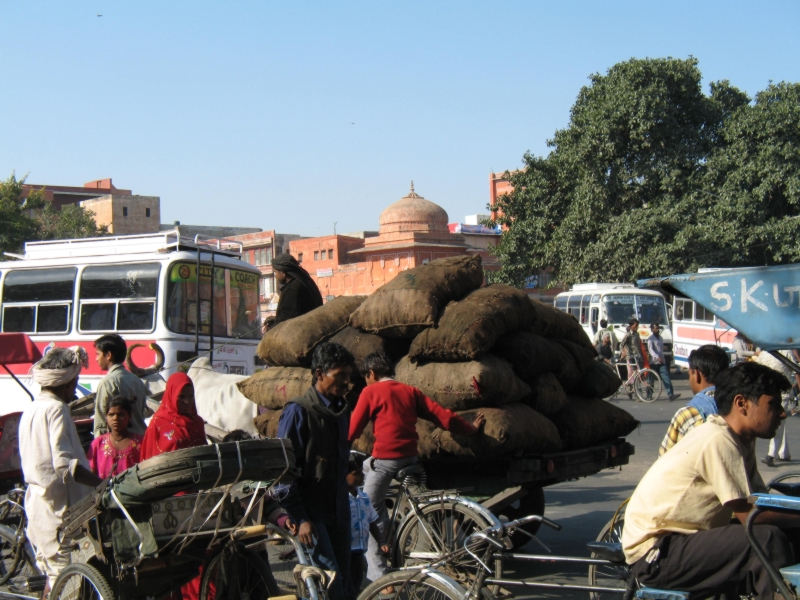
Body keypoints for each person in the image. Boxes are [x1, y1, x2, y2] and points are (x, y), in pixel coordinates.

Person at [622, 362, 796, 600]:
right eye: (773, 404)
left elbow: (759, 501)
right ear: (742, 404)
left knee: (784, 533)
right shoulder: (718, 439)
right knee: (767, 539)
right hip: (656, 552)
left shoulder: (742, 441)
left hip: (684, 541)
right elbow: (750, 514)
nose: (782, 413)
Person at [348, 351, 485, 581]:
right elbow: (442, 416)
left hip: (386, 461)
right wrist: (470, 429)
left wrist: (337, 450)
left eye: (366, 377)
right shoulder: (410, 392)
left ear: (371, 373)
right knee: (367, 468)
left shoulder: (370, 391)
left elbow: (352, 430)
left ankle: (379, 578)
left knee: (367, 510)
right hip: (410, 458)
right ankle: (391, 533)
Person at [18, 346, 103, 592]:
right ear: (65, 383)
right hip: (59, 511)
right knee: (67, 581)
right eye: (74, 382)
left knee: (54, 578)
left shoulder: (32, 408)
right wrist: (100, 483)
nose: (74, 389)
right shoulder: (57, 409)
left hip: (39, 506)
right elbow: (65, 466)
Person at [276, 342, 355, 600]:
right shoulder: (299, 411)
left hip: (338, 512)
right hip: (312, 516)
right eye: (339, 375)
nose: (346, 381)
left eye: (348, 375)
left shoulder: (341, 411)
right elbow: (283, 473)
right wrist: (299, 518)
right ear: (320, 374)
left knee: (345, 582)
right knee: (329, 586)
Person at [658, 344, 730, 455]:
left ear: (696, 374)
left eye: (689, 374)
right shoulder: (738, 407)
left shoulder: (687, 414)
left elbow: (664, 459)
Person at [346, 456, 389, 595]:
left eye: (361, 472)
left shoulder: (364, 498)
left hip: (359, 550)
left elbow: (371, 522)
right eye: (356, 474)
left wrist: (381, 541)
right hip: (345, 551)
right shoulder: (341, 499)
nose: (362, 476)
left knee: (357, 581)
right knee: (346, 584)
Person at [140, 373, 207, 461]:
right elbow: (149, 459)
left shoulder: (197, 422)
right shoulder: (157, 424)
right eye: (181, 397)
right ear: (171, 395)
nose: (187, 401)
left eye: (190, 396)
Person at [93, 334, 148, 436]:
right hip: (140, 440)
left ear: (108, 355)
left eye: (98, 354)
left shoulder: (107, 383)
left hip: (118, 444)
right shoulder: (137, 380)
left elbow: (101, 424)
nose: (96, 359)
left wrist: (99, 446)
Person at [754, 349, 796, 466]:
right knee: (781, 424)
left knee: (778, 422)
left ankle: (771, 454)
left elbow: (796, 369)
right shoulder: (764, 353)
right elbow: (757, 371)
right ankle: (784, 453)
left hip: (784, 394)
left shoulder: (786, 352)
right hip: (769, 395)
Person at [87, 396, 144, 478]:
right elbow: (91, 474)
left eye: (121, 414)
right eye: (111, 414)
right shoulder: (98, 443)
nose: (116, 418)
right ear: (106, 417)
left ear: (129, 416)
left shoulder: (140, 443)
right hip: (105, 490)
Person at [268, 253, 324, 329]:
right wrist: (275, 319)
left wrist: (271, 328)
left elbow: (287, 322)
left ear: (283, 273)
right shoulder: (302, 282)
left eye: (275, 272)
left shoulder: (292, 289)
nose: (275, 275)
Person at [647, 323, 680, 402]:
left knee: (666, 378)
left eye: (658, 328)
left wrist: (662, 358)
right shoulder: (650, 339)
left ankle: (670, 394)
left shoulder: (661, 338)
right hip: (653, 362)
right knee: (650, 380)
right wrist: (656, 357)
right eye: (656, 328)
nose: (657, 330)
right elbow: (650, 350)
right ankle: (649, 395)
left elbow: (661, 350)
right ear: (652, 330)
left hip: (662, 362)